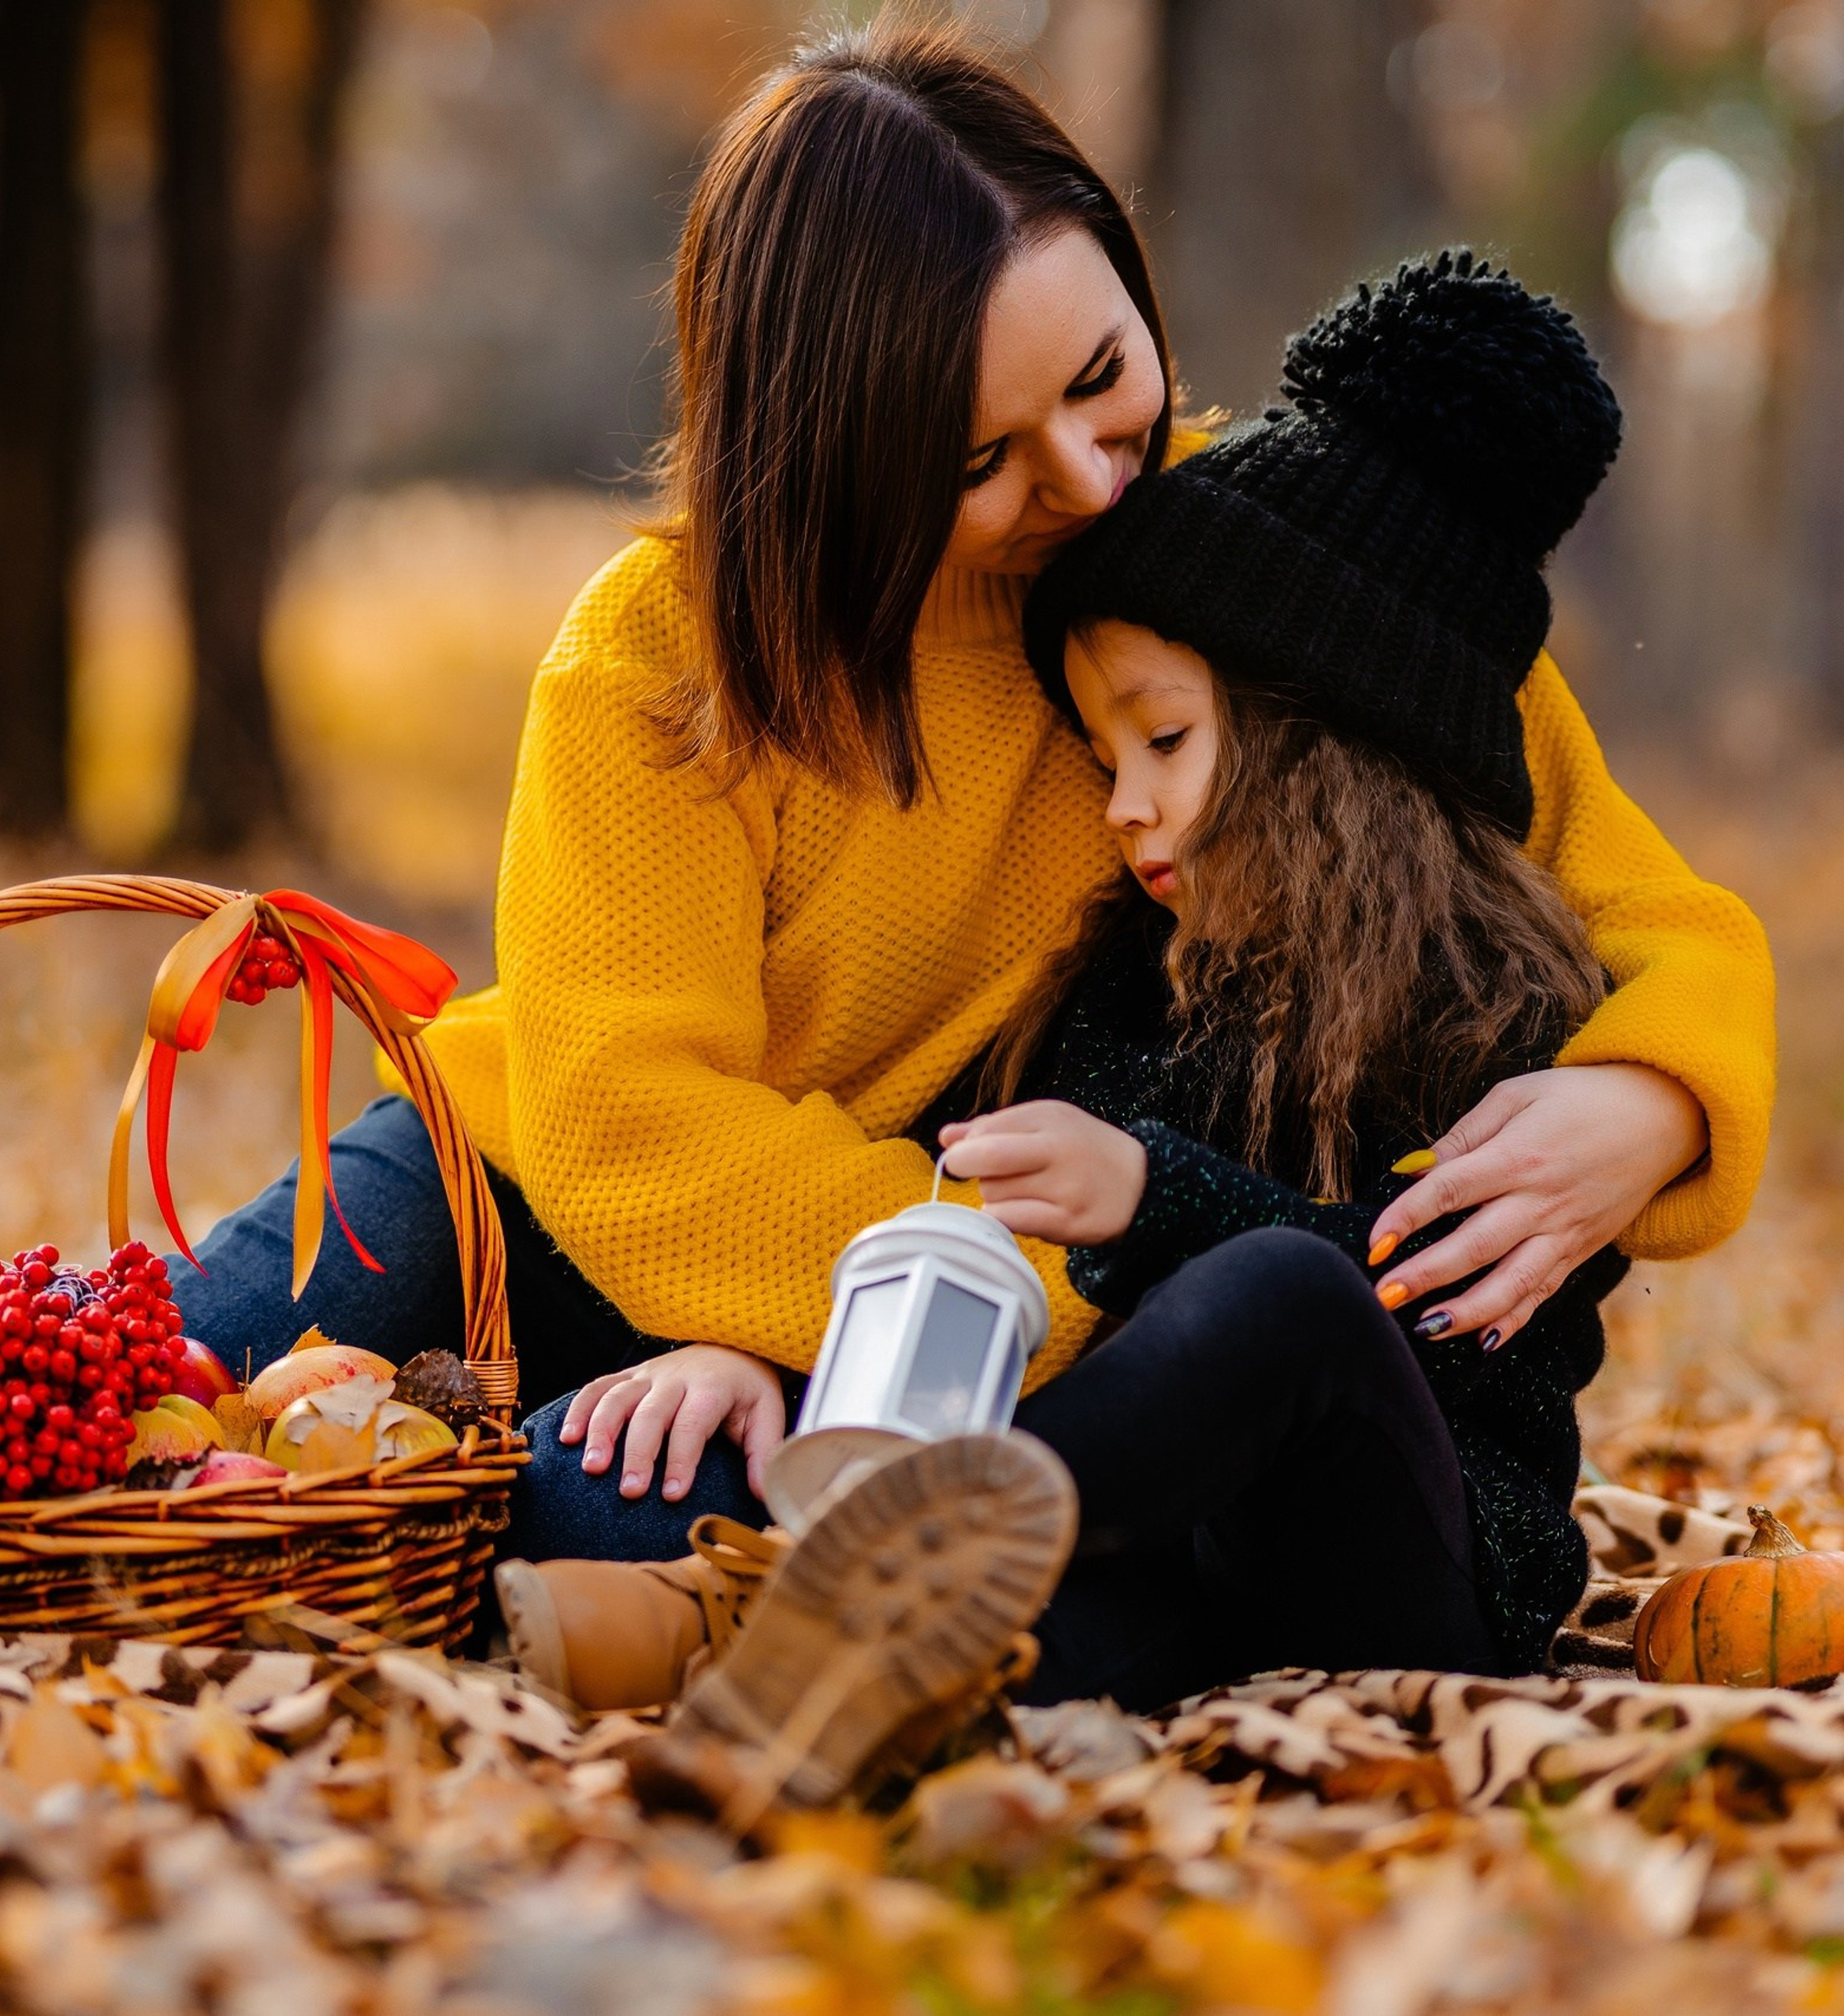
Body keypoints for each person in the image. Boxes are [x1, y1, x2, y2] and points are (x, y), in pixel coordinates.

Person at [170, 25, 1772, 1583]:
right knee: (124, 1391)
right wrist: (1060, 1274)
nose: (1084, 476)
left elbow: (1648, 907)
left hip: (933, 1302)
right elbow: (627, 1123)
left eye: (1102, 377)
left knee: (615, 1524)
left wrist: (1654, 1101)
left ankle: (520, 1526)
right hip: (553, 1202)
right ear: (829, 453)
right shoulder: (661, 659)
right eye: (977, 459)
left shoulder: (1257, 560)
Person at [500, 251, 1715, 1729]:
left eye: (1164, 742)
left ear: (1327, 736)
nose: (1123, 803)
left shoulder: (1496, 1012)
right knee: (666, 1494)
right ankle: (814, 1680)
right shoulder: (1126, 981)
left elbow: (1431, 1322)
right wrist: (759, 1349)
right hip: (1174, 1571)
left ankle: (802, 1594)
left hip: (1410, 1566)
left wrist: (1154, 1203)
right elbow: (977, 1223)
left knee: (1287, 1296)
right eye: (1101, 757)